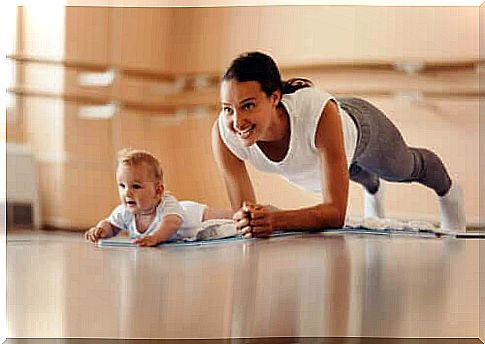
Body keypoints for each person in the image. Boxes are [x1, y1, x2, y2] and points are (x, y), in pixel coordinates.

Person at [212, 51, 466, 239]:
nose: (237, 121)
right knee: (356, 173)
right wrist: (251, 219)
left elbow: (335, 213)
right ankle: (372, 189)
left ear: (275, 98)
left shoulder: (317, 113)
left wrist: (275, 219)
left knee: (404, 168)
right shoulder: (225, 135)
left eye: (248, 105)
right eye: (227, 109)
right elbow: (244, 215)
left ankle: (451, 193)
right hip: (329, 148)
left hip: (362, 131)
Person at [85, 148, 231, 246]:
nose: (127, 193)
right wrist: (101, 230)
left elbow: (171, 224)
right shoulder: (125, 212)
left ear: (158, 191)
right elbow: (111, 225)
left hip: (194, 215)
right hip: (191, 235)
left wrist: (155, 237)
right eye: (122, 186)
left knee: (232, 217)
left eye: (136, 186)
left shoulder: (167, 204)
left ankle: (247, 211)